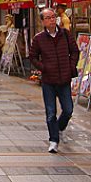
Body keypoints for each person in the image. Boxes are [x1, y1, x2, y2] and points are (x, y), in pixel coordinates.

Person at [29, 8, 79, 154]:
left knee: (68, 109)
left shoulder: (65, 35)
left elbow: (75, 51)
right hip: (48, 81)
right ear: (43, 21)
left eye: (53, 17)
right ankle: (53, 140)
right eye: (48, 18)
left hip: (64, 79)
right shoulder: (39, 39)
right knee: (51, 112)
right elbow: (32, 57)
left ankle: (59, 128)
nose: (52, 20)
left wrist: (71, 66)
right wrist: (43, 68)